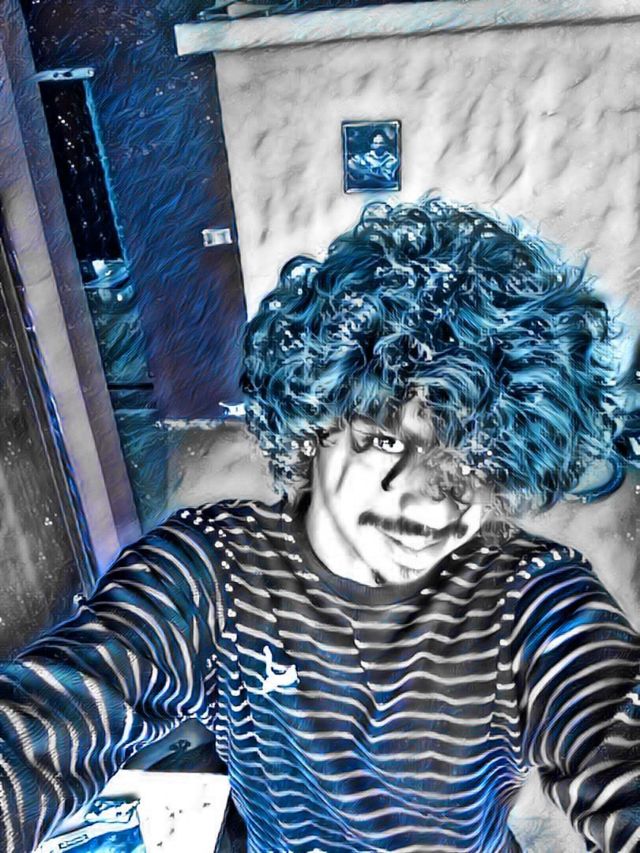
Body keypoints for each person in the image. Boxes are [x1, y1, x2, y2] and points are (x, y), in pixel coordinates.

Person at [1, 195, 640, 853]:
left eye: (466, 458)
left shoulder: (530, 594)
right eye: (386, 440)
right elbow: (49, 720)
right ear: (314, 426)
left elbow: (614, 725)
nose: (428, 498)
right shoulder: (212, 573)